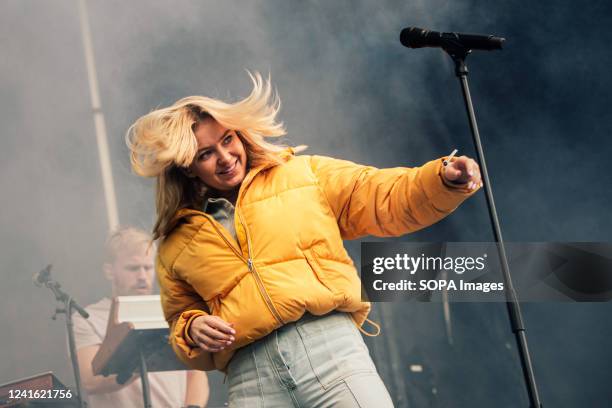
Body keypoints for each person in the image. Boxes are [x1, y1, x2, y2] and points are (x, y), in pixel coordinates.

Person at [125, 72, 482, 407]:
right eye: (206, 154)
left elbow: (383, 195)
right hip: (249, 381)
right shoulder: (175, 243)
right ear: (188, 166)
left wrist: (441, 180)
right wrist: (192, 328)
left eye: (227, 139)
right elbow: (180, 320)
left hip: (330, 352)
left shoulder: (303, 174)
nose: (225, 157)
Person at [72, 226, 209, 407]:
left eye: (148, 267)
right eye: (133, 268)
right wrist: (144, 356)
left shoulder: (173, 311)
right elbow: (90, 381)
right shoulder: (87, 318)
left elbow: (196, 371)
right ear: (109, 271)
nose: (143, 276)